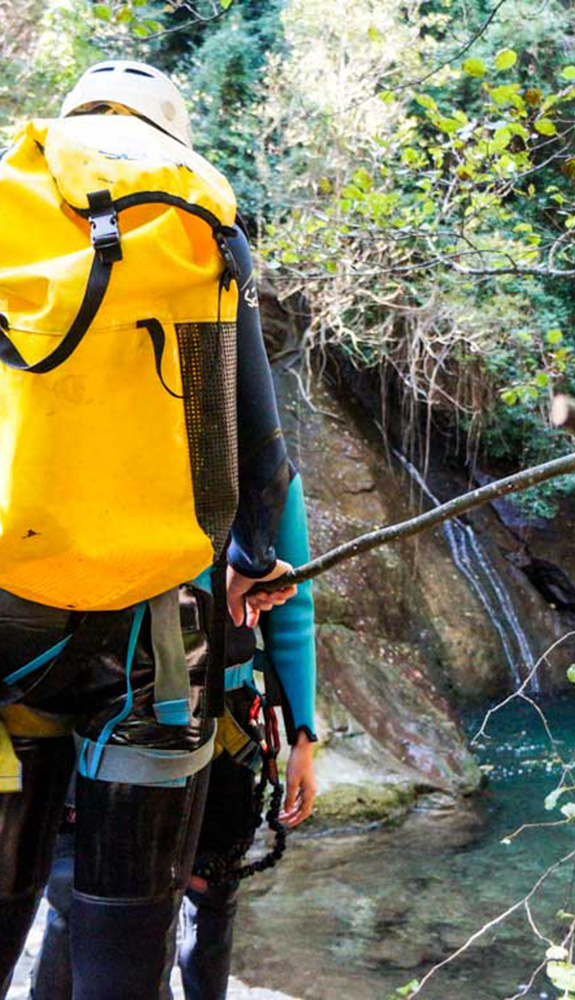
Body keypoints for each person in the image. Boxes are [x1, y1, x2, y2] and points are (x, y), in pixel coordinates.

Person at [0, 61, 297, 1000]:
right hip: (155, 630)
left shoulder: (14, 186)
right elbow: (257, 438)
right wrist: (253, 558)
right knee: (124, 958)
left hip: (7, 604)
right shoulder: (201, 216)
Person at [30, 469, 318, 1000]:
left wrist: (304, 736)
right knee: (75, 887)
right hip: (104, 705)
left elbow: (293, 609)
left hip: (221, 716)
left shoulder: (265, 471)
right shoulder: (101, 446)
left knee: (208, 888)